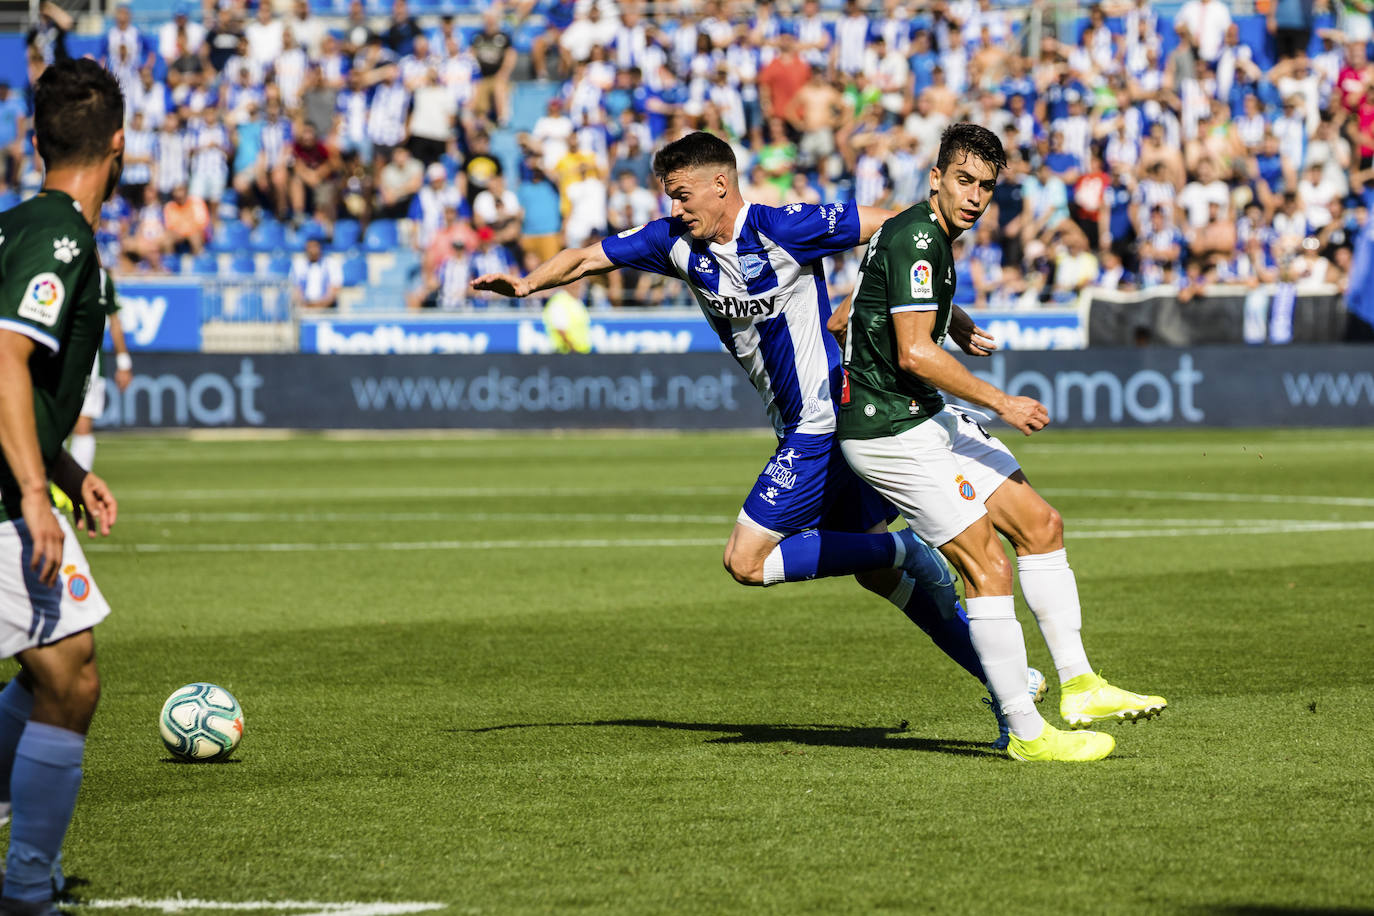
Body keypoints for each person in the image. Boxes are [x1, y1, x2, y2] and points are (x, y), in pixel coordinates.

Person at [473, 131, 1040, 744]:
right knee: (881, 579)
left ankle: (906, 552)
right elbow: (588, 257)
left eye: (683, 194)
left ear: (721, 185)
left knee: (747, 561)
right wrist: (528, 286)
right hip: (814, 424)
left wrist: (934, 308)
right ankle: (1007, 694)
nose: (676, 208)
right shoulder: (674, 243)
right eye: (670, 196)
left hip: (822, 419)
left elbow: (903, 228)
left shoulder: (785, 226)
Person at [832, 123, 1167, 763]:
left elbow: (853, 312)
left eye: (986, 186)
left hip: (922, 415)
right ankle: (1025, 730)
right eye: (964, 180)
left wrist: (949, 316)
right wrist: (1002, 400)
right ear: (936, 179)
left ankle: (1080, 685)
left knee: (1040, 524)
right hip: (891, 432)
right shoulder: (919, 238)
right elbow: (913, 351)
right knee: (988, 565)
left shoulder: (920, 234)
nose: (976, 196)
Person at [0, 57, 123, 911]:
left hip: (24, 481)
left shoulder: (22, 225)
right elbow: (5, 359)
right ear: (119, 144)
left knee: (59, 669)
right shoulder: (61, 237)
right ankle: (29, 887)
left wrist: (69, 470)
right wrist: (38, 495)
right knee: (70, 677)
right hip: (8, 498)